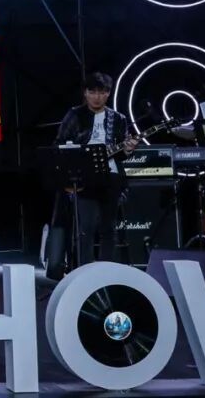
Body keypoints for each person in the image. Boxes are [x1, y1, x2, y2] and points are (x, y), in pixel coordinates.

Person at [44, 72, 137, 279]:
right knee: (85, 228)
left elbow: (122, 155)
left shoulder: (118, 119)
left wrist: (129, 149)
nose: (97, 97)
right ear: (85, 93)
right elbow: (59, 144)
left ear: (108, 94)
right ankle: (85, 274)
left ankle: (106, 273)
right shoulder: (75, 115)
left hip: (111, 176)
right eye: (92, 92)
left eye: (102, 92)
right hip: (84, 177)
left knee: (108, 228)